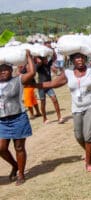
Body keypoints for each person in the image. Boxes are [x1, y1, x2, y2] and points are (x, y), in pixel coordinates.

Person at [36, 52, 91, 171]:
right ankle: (88, 151)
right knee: (78, 136)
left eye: (82, 57)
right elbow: (52, 83)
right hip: (77, 108)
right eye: (77, 58)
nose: (80, 60)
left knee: (88, 135)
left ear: (85, 58)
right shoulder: (68, 73)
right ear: (72, 60)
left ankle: (88, 163)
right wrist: (34, 85)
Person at [0, 50, 35, 185]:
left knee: (19, 147)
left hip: (18, 118)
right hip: (2, 120)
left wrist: (28, 56)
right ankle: (15, 165)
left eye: (5, 69)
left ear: (11, 70)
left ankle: (21, 173)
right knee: (1, 148)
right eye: (0, 69)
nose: (2, 72)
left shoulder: (18, 80)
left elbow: (32, 73)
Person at [35, 55, 63, 124]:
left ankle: (59, 117)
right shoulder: (38, 66)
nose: (46, 60)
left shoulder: (48, 64)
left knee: (55, 99)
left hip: (49, 85)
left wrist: (52, 49)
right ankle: (44, 118)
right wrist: (38, 61)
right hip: (41, 86)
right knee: (43, 103)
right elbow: (34, 69)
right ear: (41, 60)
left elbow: (54, 57)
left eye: (46, 59)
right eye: (45, 59)